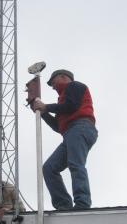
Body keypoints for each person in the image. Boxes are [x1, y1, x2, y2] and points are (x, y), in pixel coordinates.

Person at [32, 69, 98, 211]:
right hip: (70, 132)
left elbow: (72, 106)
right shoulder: (62, 100)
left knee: (76, 164)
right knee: (49, 168)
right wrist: (43, 112)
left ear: (63, 77)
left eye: (53, 82)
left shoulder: (75, 86)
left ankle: (82, 203)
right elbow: (58, 126)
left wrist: (46, 107)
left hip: (80, 127)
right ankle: (63, 205)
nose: (53, 86)